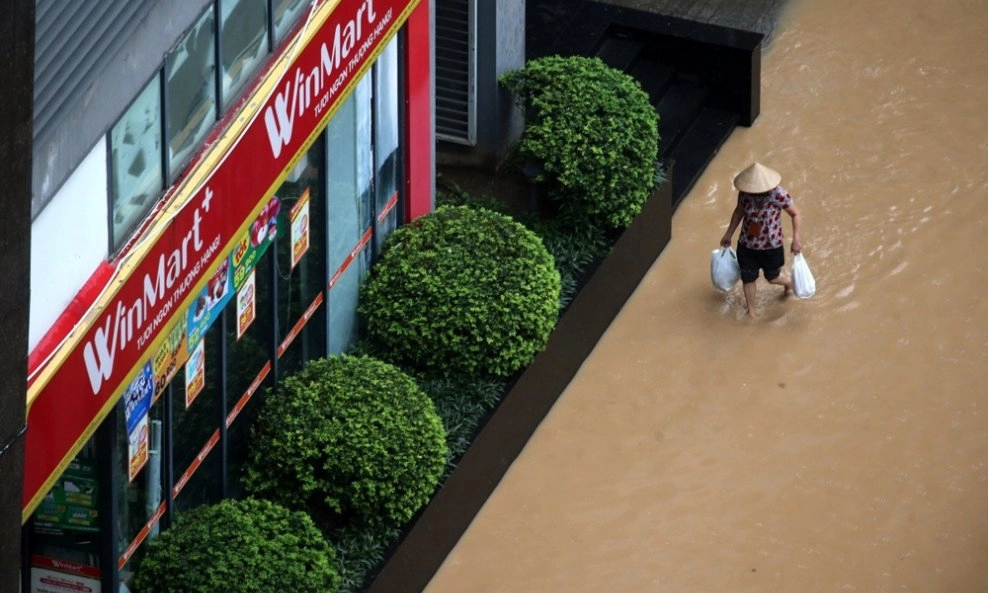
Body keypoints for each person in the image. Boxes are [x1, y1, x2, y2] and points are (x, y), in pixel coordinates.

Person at [719, 162, 803, 318]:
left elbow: (795, 214)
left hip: (771, 246)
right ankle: (752, 312)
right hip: (747, 245)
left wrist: (796, 238)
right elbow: (738, 212)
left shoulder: (779, 194)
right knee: (748, 277)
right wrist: (728, 234)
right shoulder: (744, 194)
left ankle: (789, 283)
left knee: (772, 278)